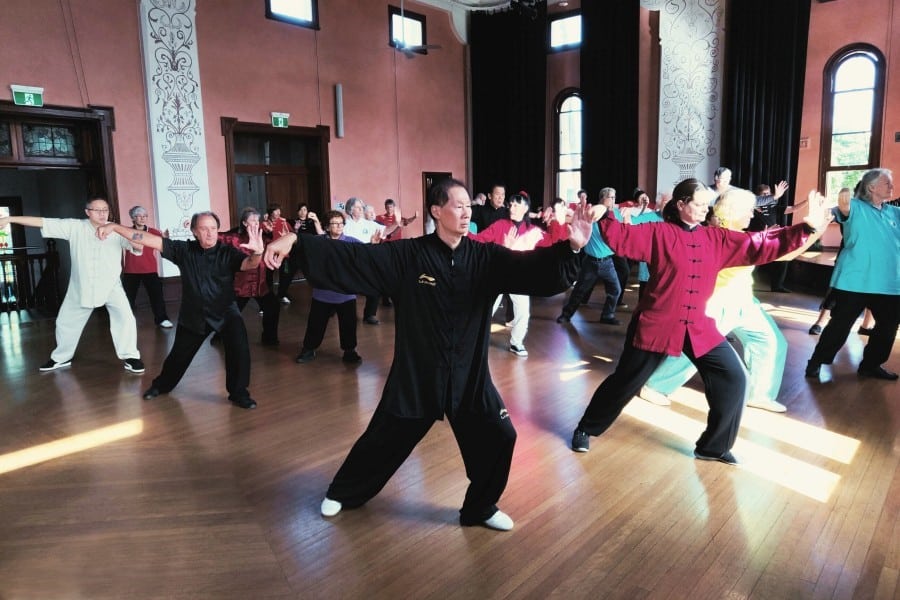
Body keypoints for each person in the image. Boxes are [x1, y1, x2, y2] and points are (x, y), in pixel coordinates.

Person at [263, 178, 591, 531]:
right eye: (458, 206)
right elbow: (355, 258)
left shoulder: (485, 258)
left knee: (500, 437)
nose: (467, 213)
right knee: (384, 439)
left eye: (468, 205)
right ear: (437, 211)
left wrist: (570, 250)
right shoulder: (408, 256)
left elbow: (531, 269)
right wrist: (296, 241)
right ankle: (344, 491)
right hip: (417, 375)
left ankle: (480, 508)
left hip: (469, 377)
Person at [570, 178, 828, 465]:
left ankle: (713, 447)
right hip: (657, 324)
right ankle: (585, 428)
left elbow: (760, 243)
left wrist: (807, 228)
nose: (706, 209)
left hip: (698, 326)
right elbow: (621, 237)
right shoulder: (658, 233)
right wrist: (602, 214)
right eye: (699, 203)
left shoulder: (716, 238)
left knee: (734, 378)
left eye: (708, 204)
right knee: (625, 383)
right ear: (681, 205)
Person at [638, 188, 829, 413]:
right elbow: (784, 253)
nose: (752, 215)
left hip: (744, 301)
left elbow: (781, 250)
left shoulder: (742, 234)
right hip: (717, 303)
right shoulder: (724, 236)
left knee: (770, 342)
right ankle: (655, 386)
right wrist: (814, 230)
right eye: (748, 210)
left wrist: (816, 229)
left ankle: (760, 393)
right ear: (733, 211)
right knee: (699, 349)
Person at [97, 211, 265, 409]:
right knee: (178, 356)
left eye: (213, 228)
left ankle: (238, 393)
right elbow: (147, 239)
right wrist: (114, 227)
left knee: (239, 351)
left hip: (226, 312)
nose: (210, 233)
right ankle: (161, 386)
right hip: (194, 314)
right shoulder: (183, 250)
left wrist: (258, 252)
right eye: (204, 229)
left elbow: (249, 264)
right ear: (194, 231)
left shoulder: (227, 252)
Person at [0, 196, 145, 373]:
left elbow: (138, 244)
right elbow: (42, 222)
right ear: (87, 212)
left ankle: (131, 356)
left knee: (126, 319)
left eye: (105, 210)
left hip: (112, 286)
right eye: (97, 210)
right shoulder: (75, 226)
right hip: (80, 286)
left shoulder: (116, 230)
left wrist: (127, 231)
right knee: (65, 322)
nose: (102, 214)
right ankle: (60, 357)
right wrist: (9, 219)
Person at [806, 168, 900, 381]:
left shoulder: (895, 213)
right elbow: (840, 210)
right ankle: (817, 361)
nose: (891, 187)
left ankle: (871, 365)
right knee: (839, 326)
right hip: (854, 282)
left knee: (887, 328)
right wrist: (842, 203)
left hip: (888, 283)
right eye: (887, 183)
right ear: (872, 187)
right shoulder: (854, 207)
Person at [469, 191, 568, 356]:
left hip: (519, 275)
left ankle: (516, 342)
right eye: (511, 204)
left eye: (516, 204)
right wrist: (463, 232)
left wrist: (559, 220)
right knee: (486, 308)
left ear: (525, 208)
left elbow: (554, 242)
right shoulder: (500, 225)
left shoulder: (533, 231)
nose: (512, 207)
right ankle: (475, 339)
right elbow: (480, 240)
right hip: (496, 273)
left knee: (522, 311)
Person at [295, 211, 363, 364]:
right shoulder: (318, 242)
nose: (339, 226)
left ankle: (349, 351)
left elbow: (366, 253)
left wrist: (374, 243)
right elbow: (302, 249)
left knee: (348, 324)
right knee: (316, 324)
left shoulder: (351, 242)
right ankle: (308, 349)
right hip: (322, 293)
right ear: (327, 226)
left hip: (346, 293)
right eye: (335, 223)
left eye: (341, 223)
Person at [556, 187, 623, 325]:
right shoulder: (590, 213)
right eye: (610, 197)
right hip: (591, 263)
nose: (613, 200)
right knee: (579, 291)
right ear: (602, 198)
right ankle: (566, 315)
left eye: (614, 197)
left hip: (607, 262)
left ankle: (607, 315)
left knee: (616, 290)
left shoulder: (616, 214)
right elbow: (569, 218)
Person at [219, 207, 280, 346]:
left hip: (260, 285)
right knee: (229, 313)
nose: (256, 223)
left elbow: (279, 244)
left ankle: (270, 338)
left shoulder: (264, 238)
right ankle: (220, 335)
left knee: (273, 307)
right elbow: (216, 237)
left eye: (257, 220)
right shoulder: (234, 239)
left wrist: (272, 233)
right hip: (240, 286)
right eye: (253, 220)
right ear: (245, 223)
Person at [748, 183, 810, 293]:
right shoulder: (751, 207)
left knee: (783, 259)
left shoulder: (773, 207)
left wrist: (807, 201)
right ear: (758, 196)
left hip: (773, 238)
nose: (767, 196)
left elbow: (793, 209)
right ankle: (746, 286)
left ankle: (777, 285)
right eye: (763, 194)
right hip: (757, 239)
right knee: (754, 263)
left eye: (768, 194)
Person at [121, 205, 173, 329]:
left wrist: (165, 240)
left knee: (157, 296)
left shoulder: (154, 232)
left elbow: (165, 249)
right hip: (130, 270)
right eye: (139, 216)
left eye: (145, 216)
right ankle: (123, 320)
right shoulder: (126, 231)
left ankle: (162, 319)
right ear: (133, 218)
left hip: (149, 269)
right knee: (127, 297)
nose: (143, 218)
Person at [342, 196, 385, 325]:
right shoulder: (345, 225)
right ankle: (341, 311)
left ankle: (370, 314)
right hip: (349, 261)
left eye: (362, 207)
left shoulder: (368, 223)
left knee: (374, 286)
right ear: (350, 210)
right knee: (346, 289)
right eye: (358, 207)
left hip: (367, 260)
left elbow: (384, 231)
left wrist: (397, 224)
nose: (361, 209)